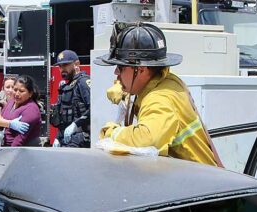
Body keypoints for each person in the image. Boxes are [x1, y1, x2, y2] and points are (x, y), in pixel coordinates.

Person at [95, 23, 222, 166]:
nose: (116, 73)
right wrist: (123, 91)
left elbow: (147, 140)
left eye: (120, 67)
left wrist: (111, 132)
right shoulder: (167, 81)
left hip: (198, 183)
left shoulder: (160, 99)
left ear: (141, 70)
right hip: (195, 178)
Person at [51, 49, 91, 148]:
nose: (62, 69)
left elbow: (93, 109)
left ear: (76, 64)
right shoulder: (64, 87)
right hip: (66, 138)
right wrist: (58, 137)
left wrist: (76, 125)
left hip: (81, 138)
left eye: (65, 65)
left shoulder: (83, 82)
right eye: (60, 66)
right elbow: (63, 118)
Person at [1, 74, 42, 147]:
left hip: (23, 151)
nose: (17, 94)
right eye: (15, 89)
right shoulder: (11, 102)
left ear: (30, 93)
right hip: (6, 147)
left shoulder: (31, 109)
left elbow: (19, 140)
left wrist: (10, 155)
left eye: (21, 91)